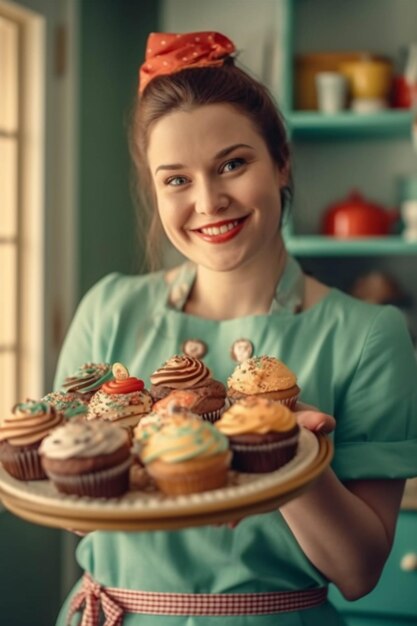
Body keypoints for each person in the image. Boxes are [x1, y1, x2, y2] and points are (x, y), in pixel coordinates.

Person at [54, 31, 417, 625]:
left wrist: (286, 455)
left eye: (232, 163)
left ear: (281, 162)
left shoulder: (369, 336)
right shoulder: (110, 308)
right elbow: (72, 501)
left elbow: (358, 573)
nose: (209, 200)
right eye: (176, 179)